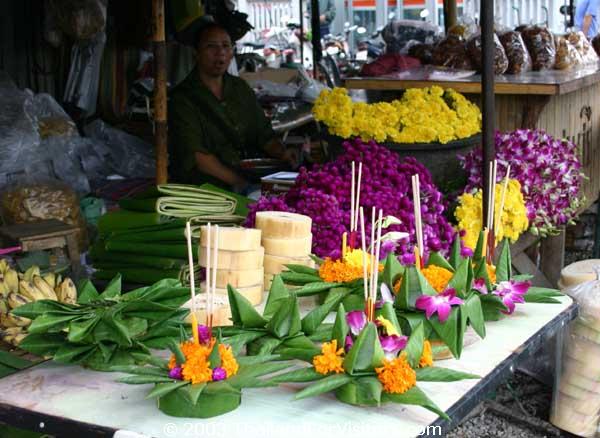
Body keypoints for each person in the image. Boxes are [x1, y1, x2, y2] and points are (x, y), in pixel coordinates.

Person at [168, 23, 298, 193]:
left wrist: (283, 153)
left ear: (232, 51)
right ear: (196, 54)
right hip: (206, 187)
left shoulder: (240, 88)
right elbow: (196, 156)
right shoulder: (182, 98)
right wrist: (239, 183)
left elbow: (263, 134)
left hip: (247, 176)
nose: (220, 52)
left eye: (225, 46)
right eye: (211, 46)